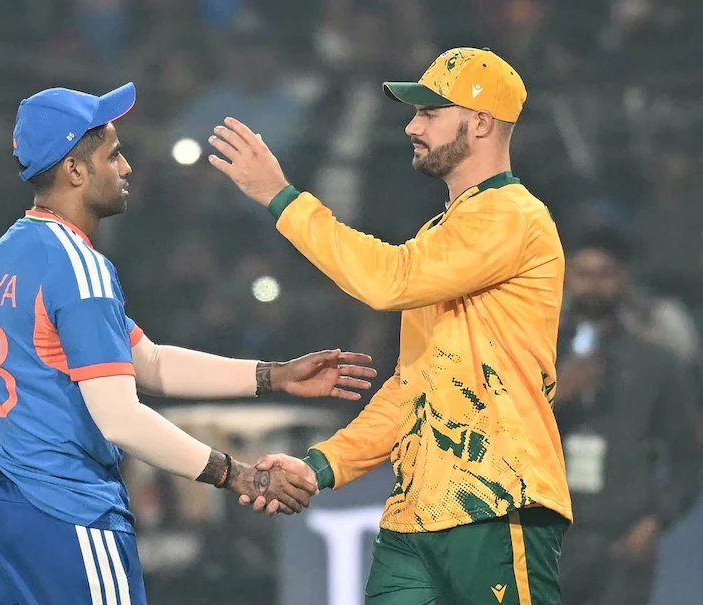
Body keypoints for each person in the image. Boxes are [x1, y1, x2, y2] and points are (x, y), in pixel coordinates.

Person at [0, 82, 377, 605]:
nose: (127, 168)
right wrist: (235, 474)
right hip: (63, 508)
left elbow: (150, 362)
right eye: (112, 155)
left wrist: (273, 375)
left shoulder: (17, 247)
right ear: (74, 170)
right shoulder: (79, 268)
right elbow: (121, 419)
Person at [210, 47, 572, 604]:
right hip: (415, 516)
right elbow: (416, 387)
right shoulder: (441, 234)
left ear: (480, 122)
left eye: (429, 112)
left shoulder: (512, 215)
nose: (411, 126)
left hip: (497, 499)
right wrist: (320, 466)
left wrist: (281, 198)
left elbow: (389, 282)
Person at [555, 228, 700, 605]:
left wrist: (656, 520)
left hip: (621, 544)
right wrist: (553, 398)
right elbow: (490, 438)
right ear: (567, 277)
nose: (592, 285)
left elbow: (688, 455)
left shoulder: (655, 363)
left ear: (623, 278)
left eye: (604, 274)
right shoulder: (533, 357)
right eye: (583, 273)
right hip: (543, 540)